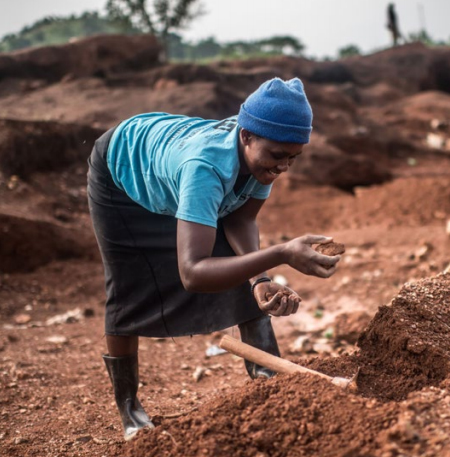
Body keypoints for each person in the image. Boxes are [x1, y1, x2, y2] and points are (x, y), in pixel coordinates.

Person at [86, 77, 341, 440]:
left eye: (293, 158)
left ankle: (268, 379)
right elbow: (193, 273)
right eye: (278, 157)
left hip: (170, 165)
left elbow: (241, 219)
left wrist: (261, 279)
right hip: (122, 170)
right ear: (246, 136)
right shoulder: (206, 168)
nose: (284, 167)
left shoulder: (263, 155)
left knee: (239, 261)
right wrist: (282, 253)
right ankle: (129, 408)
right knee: (127, 285)